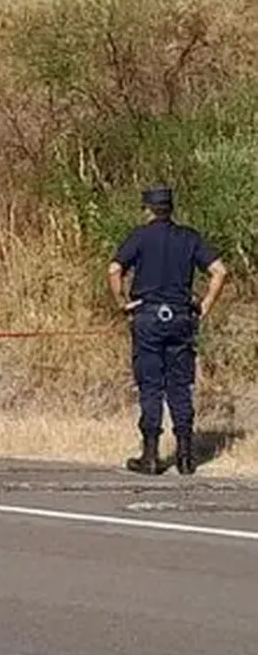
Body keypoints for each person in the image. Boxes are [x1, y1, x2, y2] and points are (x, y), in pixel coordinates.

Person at [109, 185, 228, 476]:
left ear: (148, 209)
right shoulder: (188, 237)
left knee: (151, 384)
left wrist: (123, 303)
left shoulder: (140, 237)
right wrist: (206, 305)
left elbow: (114, 269)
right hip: (180, 317)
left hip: (148, 316)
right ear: (171, 209)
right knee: (180, 385)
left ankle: (150, 455)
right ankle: (186, 456)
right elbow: (219, 271)